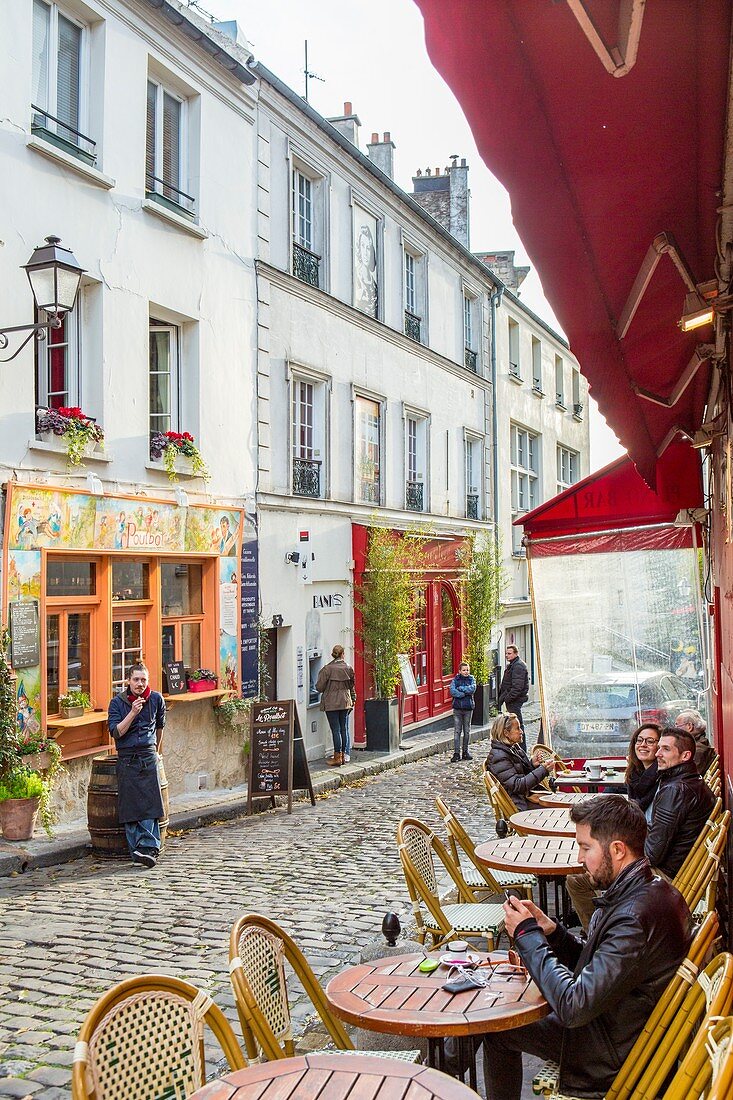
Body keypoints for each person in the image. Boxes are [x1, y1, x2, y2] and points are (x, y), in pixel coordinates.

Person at [483, 795, 691, 1100]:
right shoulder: (651, 891)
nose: (580, 858)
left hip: (607, 1053)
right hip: (618, 1028)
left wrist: (527, 935)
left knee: (496, 1027)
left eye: (585, 847)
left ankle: (441, 1065)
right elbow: (603, 966)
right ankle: (445, 1059)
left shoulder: (634, 917)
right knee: (500, 1015)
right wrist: (553, 933)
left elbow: (573, 1006)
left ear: (618, 850)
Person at [568, 727, 715, 928]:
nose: (657, 754)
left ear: (685, 755)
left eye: (665, 749)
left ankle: (599, 936)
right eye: (659, 748)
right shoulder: (685, 781)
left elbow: (653, 854)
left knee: (577, 880)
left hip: (667, 876)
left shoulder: (675, 790)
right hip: (682, 870)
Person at [107, 661, 166, 869]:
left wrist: (157, 752)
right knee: (131, 806)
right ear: (128, 681)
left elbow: (160, 727)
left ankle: (149, 847)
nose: (140, 684)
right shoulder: (117, 703)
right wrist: (132, 712)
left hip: (147, 755)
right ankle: (138, 850)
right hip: (127, 757)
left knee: (150, 804)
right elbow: (116, 732)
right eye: (136, 680)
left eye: (143, 680)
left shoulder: (157, 699)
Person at [486, 713, 555, 812]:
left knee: (560, 802)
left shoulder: (513, 749)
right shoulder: (499, 757)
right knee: (559, 809)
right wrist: (543, 770)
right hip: (519, 805)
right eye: (518, 728)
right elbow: (518, 785)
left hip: (526, 798)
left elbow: (520, 776)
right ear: (506, 733)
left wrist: (532, 765)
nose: (521, 732)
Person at [316, 645, 355, 767]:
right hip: (345, 701)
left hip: (331, 703)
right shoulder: (348, 668)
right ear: (343, 654)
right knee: (343, 729)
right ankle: (343, 756)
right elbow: (351, 685)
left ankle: (337, 757)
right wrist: (353, 698)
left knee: (336, 730)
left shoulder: (327, 669)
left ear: (333, 654)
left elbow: (319, 687)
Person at [625, 722, 661, 813]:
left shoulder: (662, 778)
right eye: (639, 740)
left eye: (650, 741)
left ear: (660, 747)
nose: (643, 745)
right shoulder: (633, 773)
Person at [498, 645, 529, 737]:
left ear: (516, 654)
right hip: (512, 699)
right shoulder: (513, 665)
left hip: (515, 700)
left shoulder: (518, 666)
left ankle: (521, 747)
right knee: (513, 725)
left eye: (509, 653)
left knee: (517, 725)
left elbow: (517, 687)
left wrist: (508, 698)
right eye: (506, 653)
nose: (507, 655)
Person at [449, 660, 475, 763]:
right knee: (457, 731)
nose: (466, 672)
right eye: (464, 670)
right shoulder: (455, 680)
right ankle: (456, 753)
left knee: (467, 731)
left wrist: (461, 689)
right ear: (459, 671)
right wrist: (462, 694)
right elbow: (452, 691)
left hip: (468, 708)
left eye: (467, 670)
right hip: (457, 709)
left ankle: (465, 752)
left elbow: (472, 689)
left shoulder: (471, 679)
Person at [675, 708, 715, 773]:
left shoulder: (697, 751)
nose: (675, 730)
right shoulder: (697, 744)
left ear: (689, 726)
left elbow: (687, 777)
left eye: (677, 726)